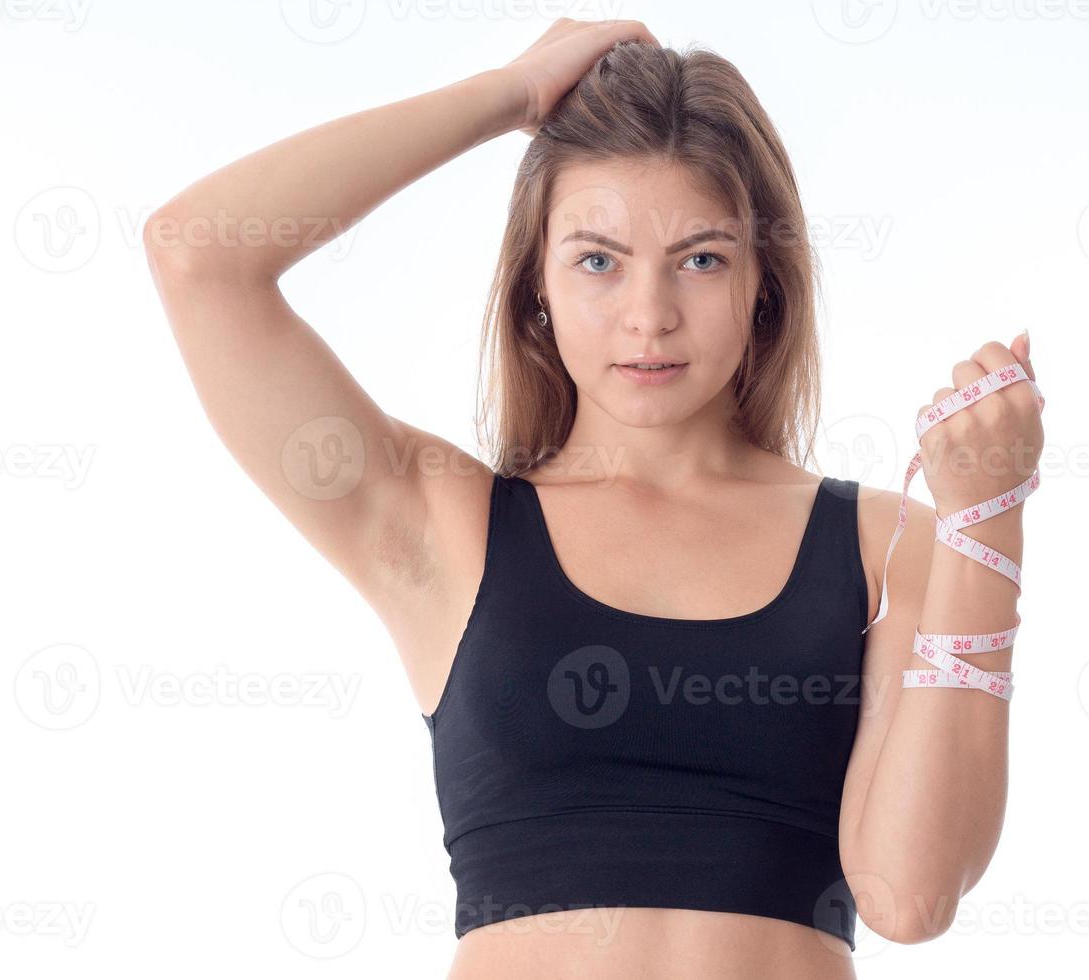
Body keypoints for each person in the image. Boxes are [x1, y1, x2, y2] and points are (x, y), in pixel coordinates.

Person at [142, 18, 1040, 979]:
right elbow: (200, 256)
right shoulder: (445, 527)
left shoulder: (885, 543)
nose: (648, 315)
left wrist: (986, 518)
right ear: (536, 284)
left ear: (763, 285)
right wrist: (510, 95)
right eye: (597, 259)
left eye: (700, 258)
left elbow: (908, 894)